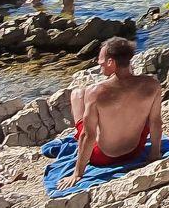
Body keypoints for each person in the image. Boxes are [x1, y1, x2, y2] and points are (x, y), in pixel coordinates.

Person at [68, 35, 163, 184]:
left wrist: (77, 173)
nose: (100, 66)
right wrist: (154, 155)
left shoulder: (95, 92)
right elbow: (156, 122)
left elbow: (88, 135)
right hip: (135, 150)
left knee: (77, 94)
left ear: (111, 62)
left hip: (102, 157)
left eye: (101, 63)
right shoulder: (152, 84)